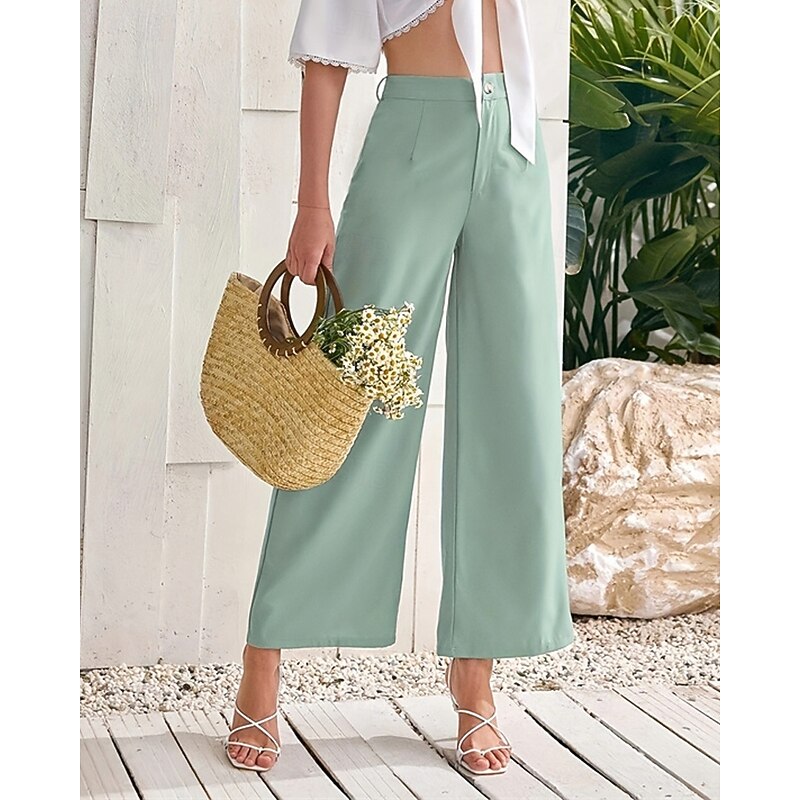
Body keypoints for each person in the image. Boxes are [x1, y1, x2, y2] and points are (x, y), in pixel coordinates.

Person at [224, 0, 574, 777]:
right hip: (414, 134)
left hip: (514, 145)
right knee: (353, 400)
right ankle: (264, 657)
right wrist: (313, 203)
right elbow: (326, 58)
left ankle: (476, 675)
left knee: (511, 413)